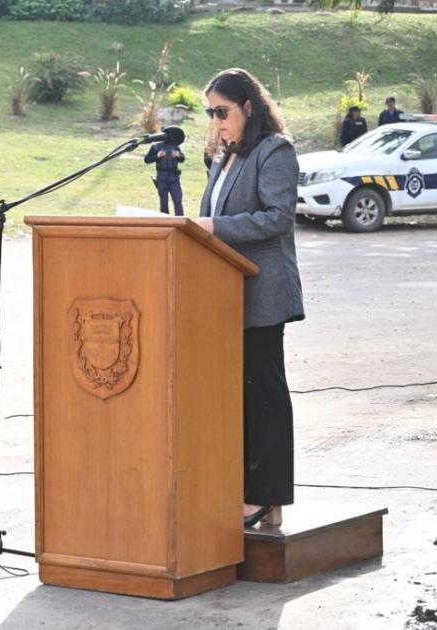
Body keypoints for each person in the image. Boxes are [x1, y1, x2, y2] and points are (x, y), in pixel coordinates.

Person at [194, 68, 305, 529]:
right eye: (210, 113)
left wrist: (215, 228)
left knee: (264, 395)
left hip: (262, 291)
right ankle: (239, 488)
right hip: (223, 294)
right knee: (233, 398)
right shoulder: (225, 157)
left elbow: (278, 218)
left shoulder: (273, 151)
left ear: (249, 107)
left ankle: (267, 495)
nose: (216, 121)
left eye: (223, 112)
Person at [143, 139, 185, 216]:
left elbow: (182, 159)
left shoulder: (175, 146)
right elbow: (146, 160)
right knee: (163, 201)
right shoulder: (156, 147)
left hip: (174, 177)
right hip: (162, 177)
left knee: (177, 199)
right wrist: (157, 156)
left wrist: (179, 155)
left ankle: (180, 221)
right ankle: (165, 221)